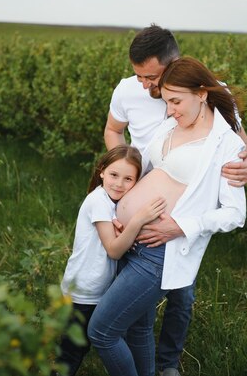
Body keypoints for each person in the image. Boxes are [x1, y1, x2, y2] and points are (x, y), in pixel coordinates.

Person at [103, 25, 247, 375]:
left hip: (176, 222)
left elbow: (241, 149)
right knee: (134, 313)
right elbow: (113, 130)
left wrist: (245, 166)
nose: (146, 85)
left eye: (152, 77)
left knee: (181, 294)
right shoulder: (129, 90)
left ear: (174, 64)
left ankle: (167, 363)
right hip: (136, 214)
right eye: (139, 76)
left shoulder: (211, 95)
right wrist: (123, 178)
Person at [56, 144, 167, 376]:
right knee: (72, 350)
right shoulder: (98, 201)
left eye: (128, 179)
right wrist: (139, 220)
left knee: (90, 340)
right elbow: (114, 251)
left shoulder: (113, 202)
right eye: (114, 175)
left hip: (98, 289)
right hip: (83, 292)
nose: (119, 183)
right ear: (102, 171)